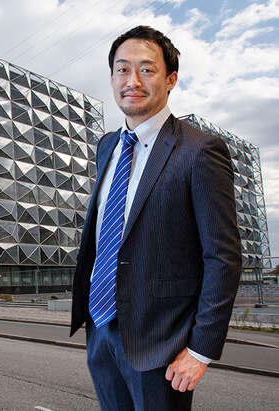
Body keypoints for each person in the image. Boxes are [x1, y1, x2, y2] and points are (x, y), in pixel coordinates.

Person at [70, 25, 241, 410]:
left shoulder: (200, 151)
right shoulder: (108, 146)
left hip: (162, 343)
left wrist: (200, 350)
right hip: (101, 331)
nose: (132, 81)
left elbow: (223, 257)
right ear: (112, 77)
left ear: (171, 79)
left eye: (146, 69)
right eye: (122, 69)